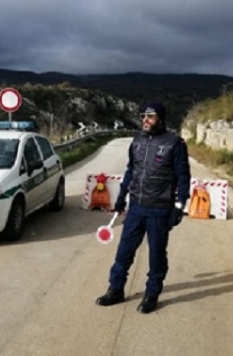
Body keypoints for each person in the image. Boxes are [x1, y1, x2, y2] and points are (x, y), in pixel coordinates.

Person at [95, 101, 191, 314]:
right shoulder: (137, 141)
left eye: (150, 116)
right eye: (143, 116)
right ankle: (116, 289)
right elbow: (131, 170)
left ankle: (152, 294)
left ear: (161, 119)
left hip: (159, 210)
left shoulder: (175, 144)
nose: (145, 120)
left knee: (156, 255)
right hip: (136, 208)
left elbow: (183, 178)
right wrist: (121, 196)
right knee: (124, 252)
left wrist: (178, 207)